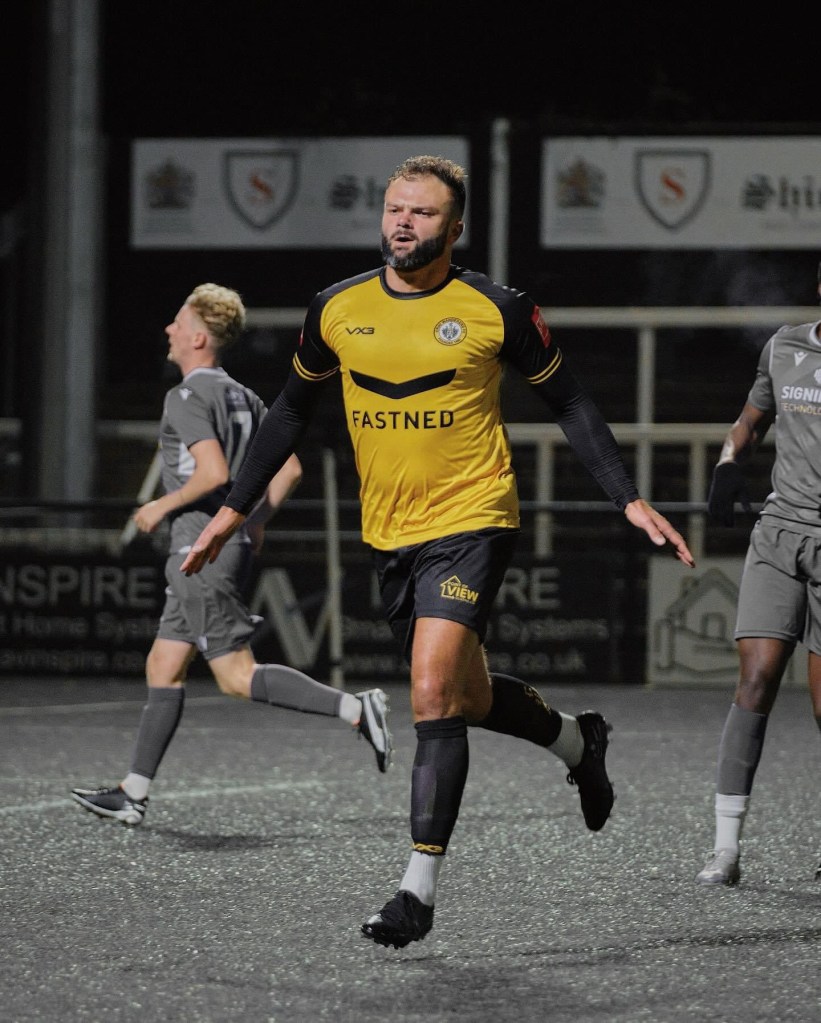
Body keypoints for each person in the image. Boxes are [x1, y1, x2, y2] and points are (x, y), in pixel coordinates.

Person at [180, 158, 695, 947]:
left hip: (473, 518)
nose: (402, 222)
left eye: (421, 213)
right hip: (389, 531)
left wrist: (625, 495)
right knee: (466, 696)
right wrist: (231, 509)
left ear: (454, 228)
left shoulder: (497, 308)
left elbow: (569, 401)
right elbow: (289, 411)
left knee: (428, 692)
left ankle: (415, 891)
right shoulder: (337, 307)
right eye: (394, 208)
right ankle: (576, 739)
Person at [71, 283, 392, 827]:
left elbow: (213, 473)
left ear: (199, 337)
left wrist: (160, 505)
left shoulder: (187, 396)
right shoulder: (244, 396)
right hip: (221, 547)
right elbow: (289, 469)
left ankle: (356, 709)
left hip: (200, 549)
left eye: (178, 322)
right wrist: (254, 521)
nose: (169, 330)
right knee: (164, 664)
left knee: (236, 676)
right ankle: (133, 793)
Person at [696, 263, 821, 886]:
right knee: (756, 678)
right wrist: (728, 462)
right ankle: (726, 850)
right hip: (779, 535)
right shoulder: (785, 346)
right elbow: (749, 422)